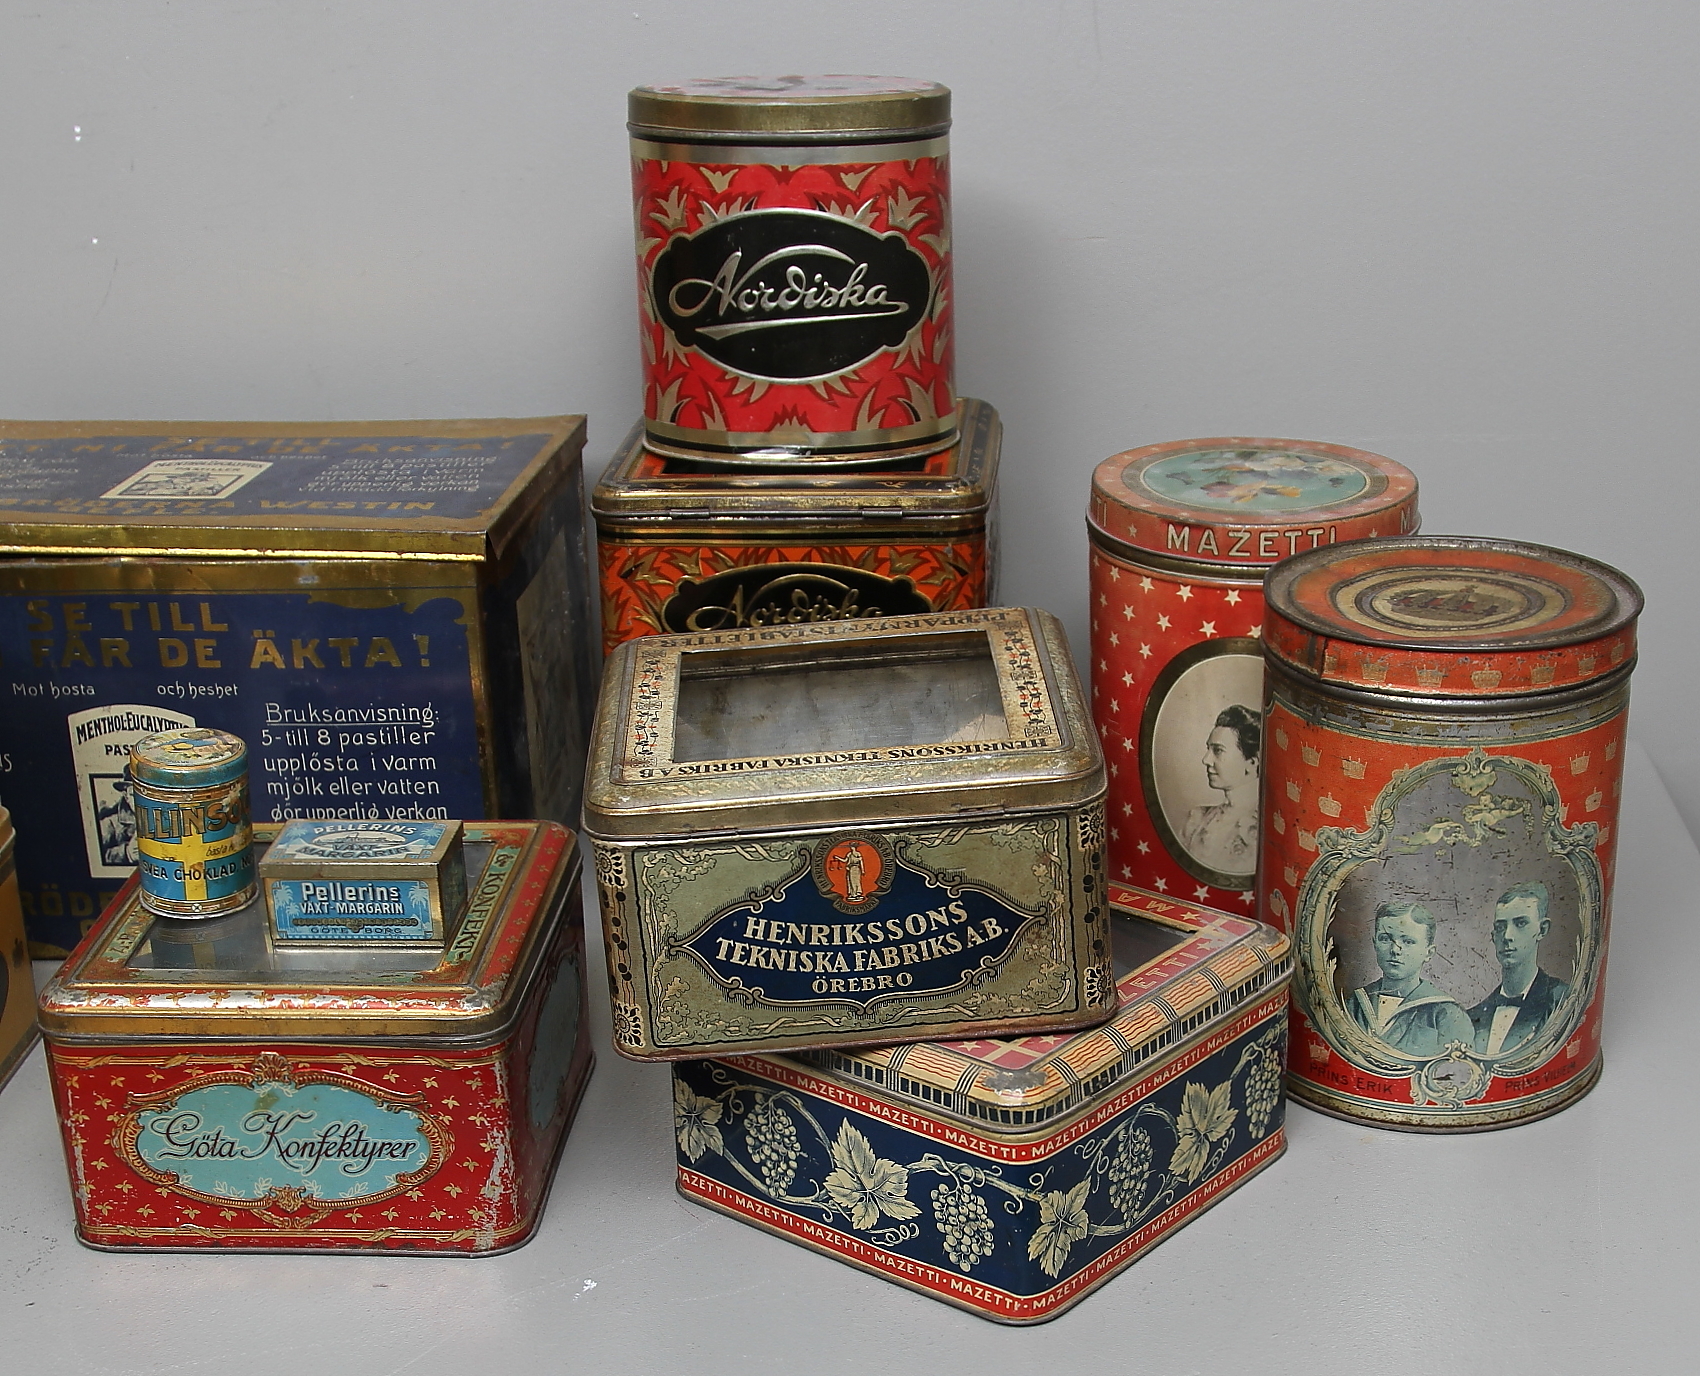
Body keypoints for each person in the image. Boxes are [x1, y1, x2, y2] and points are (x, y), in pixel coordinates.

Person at [1348, 901, 1474, 1055]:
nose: (1395, 950)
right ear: (1375, 944)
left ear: (1428, 953)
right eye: (1385, 939)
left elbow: (1457, 1067)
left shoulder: (1446, 1013)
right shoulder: (1354, 1004)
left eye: (1408, 941)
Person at [1468, 882, 1570, 1055]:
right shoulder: (1472, 1017)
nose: (1507, 936)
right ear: (1493, 937)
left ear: (1542, 930)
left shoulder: (1563, 1000)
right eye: (1500, 927)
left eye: (1521, 923)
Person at [1179, 705, 1260, 876]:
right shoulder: (1197, 819)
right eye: (1208, 749)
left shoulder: (1266, 827)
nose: (1206, 760)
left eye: (1218, 750)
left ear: (1251, 763)